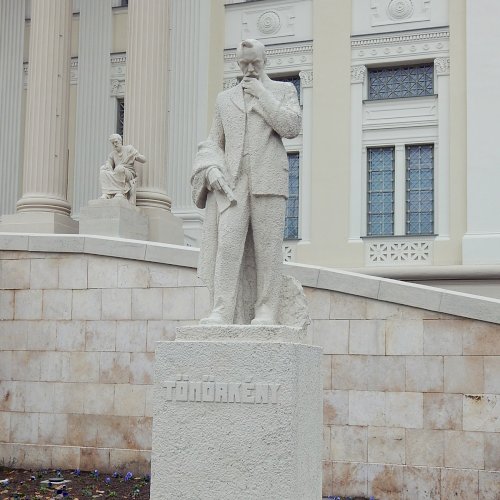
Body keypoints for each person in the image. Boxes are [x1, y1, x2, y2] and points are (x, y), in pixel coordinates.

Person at [191, 39, 302, 325]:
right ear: (237, 63)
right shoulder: (224, 99)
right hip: (233, 183)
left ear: (265, 61)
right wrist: (210, 169)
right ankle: (222, 309)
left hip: (269, 180)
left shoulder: (283, 90)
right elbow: (212, 142)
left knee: (268, 249)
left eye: (255, 63)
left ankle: (266, 310)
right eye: (244, 64)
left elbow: (291, 127)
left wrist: (262, 95)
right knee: (227, 247)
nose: (250, 69)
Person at [100, 134, 146, 203]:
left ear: (120, 141)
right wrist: (106, 167)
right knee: (103, 171)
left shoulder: (129, 149)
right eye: (113, 143)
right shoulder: (112, 154)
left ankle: (120, 192)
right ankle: (107, 193)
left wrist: (136, 156)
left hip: (128, 173)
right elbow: (109, 164)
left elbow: (144, 160)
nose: (115, 144)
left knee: (119, 168)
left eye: (116, 142)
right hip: (117, 172)